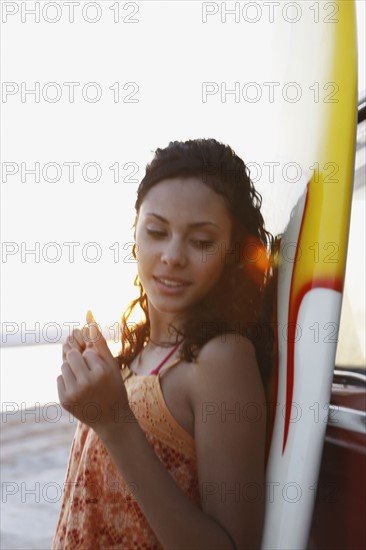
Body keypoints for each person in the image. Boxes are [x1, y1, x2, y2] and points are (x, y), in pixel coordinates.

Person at [52, 138, 276, 549]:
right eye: (157, 231)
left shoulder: (221, 359)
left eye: (202, 241)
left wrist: (115, 422)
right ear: (135, 231)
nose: (173, 255)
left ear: (231, 253)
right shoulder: (140, 354)